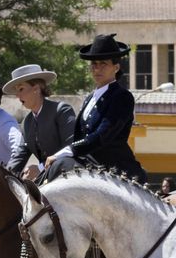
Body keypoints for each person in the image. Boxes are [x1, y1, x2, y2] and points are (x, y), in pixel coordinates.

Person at [44, 34, 146, 181]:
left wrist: (68, 150)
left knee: (61, 163)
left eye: (103, 64)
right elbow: (80, 135)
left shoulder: (122, 97)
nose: (97, 69)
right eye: (94, 64)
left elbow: (103, 135)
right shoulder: (89, 98)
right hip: (88, 164)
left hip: (116, 169)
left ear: (116, 67)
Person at [4, 63, 76, 181]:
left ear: (36, 89)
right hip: (46, 181)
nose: (17, 95)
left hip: (69, 179)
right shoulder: (27, 122)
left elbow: (72, 147)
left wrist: (40, 167)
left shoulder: (61, 111)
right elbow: (19, 155)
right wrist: (3, 176)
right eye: (16, 91)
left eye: (21, 89)